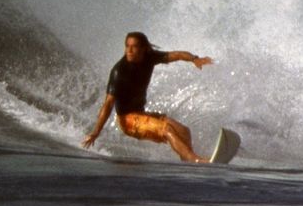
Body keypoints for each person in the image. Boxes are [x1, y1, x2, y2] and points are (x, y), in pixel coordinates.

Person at [81, 31, 214, 163]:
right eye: (127, 46)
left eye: (134, 46)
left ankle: (187, 159)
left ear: (144, 49)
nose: (129, 50)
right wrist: (96, 132)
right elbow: (108, 104)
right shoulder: (119, 71)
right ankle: (194, 159)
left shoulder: (149, 58)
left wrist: (195, 59)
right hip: (127, 120)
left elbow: (177, 54)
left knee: (184, 131)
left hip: (141, 114)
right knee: (166, 130)